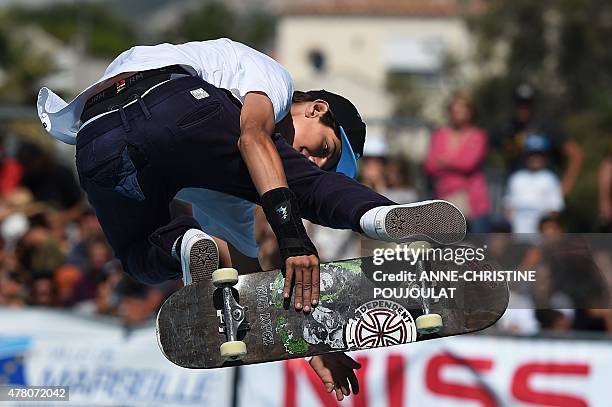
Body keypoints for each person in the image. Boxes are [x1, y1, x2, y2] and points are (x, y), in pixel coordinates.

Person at [37, 38, 466, 400]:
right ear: (316, 110)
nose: (311, 158)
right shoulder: (275, 79)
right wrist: (294, 240)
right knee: (306, 187)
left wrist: (312, 339)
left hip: (96, 133)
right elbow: (252, 135)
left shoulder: (229, 192)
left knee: (137, 252)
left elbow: (253, 287)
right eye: (324, 150)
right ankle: (383, 215)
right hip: (174, 99)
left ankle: (187, 244)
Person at [491, 83, 583, 196]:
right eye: (520, 103)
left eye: (527, 104)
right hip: (516, 194)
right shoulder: (506, 128)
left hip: (544, 194)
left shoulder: (547, 126)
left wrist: (563, 190)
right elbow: (482, 145)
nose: (523, 108)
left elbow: (575, 154)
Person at [424, 92, 491, 232]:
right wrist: (454, 163)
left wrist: (445, 162)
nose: (458, 113)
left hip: (472, 203)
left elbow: (468, 164)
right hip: (444, 199)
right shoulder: (440, 135)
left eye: (462, 109)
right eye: (455, 109)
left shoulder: (478, 136)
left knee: (474, 248)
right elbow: (430, 165)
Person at [504, 134, 564, 236]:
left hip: (540, 234)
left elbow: (554, 210)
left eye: (539, 155)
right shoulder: (516, 178)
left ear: (545, 157)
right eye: (532, 154)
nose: (535, 158)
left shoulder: (551, 179)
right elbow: (508, 208)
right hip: (517, 232)